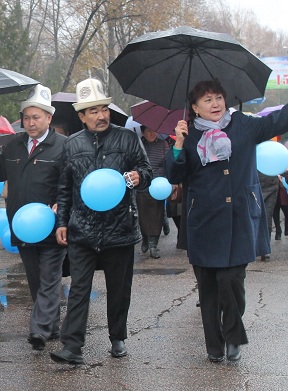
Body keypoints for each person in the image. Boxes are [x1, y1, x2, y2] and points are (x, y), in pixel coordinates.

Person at [166, 80, 288, 363]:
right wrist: (179, 144)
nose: (215, 104)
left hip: (239, 217)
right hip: (204, 220)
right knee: (208, 285)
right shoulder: (189, 134)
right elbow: (174, 175)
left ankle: (233, 335)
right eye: (207, 100)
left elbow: (278, 120)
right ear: (194, 108)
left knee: (232, 279)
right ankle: (214, 344)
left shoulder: (244, 125)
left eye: (219, 97)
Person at [50, 78, 152, 365]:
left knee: (119, 289)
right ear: (81, 116)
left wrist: (139, 177)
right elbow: (64, 188)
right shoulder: (71, 145)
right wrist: (61, 222)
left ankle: (117, 337)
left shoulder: (127, 139)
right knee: (79, 288)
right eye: (92, 111)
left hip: (120, 227)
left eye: (103, 108)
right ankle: (72, 346)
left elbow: (146, 171)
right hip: (82, 228)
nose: (101, 115)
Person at [0, 84, 68, 351]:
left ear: (49, 118)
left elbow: (70, 180)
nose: (30, 122)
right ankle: (53, 326)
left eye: (36, 117)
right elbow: (0, 172)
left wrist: (62, 204)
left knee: (49, 277)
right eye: (26, 117)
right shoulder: (14, 145)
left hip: (51, 225)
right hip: (22, 226)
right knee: (37, 279)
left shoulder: (62, 146)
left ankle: (38, 329)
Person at [136, 126, 168, 259]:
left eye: (154, 131)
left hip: (158, 185)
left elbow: (168, 163)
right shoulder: (138, 145)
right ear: (143, 132)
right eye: (149, 131)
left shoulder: (163, 144)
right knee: (143, 215)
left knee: (157, 215)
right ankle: (145, 237)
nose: (152, 134)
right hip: (142, 184)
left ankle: (153, 245)